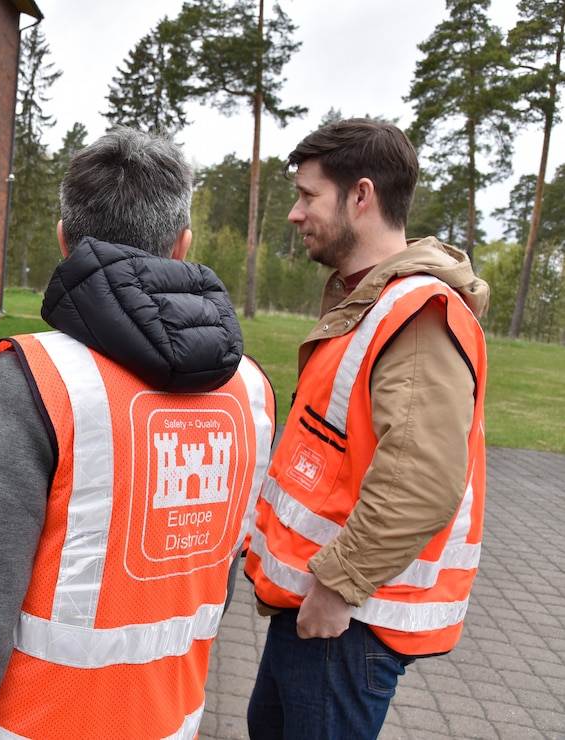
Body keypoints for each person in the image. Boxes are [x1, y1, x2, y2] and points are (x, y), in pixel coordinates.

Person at [0, 126, 276, 740]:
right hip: (170, 718)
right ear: (183, 245)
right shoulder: (249, 392)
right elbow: (218, 574)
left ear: (63, 239)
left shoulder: (34, 378)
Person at [244, 118, 490, 739]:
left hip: (347, 621)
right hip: (318, 607)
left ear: (361, 196)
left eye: (307, 195)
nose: (296, 214)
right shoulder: (370, 303)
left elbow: (423, 482)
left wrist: (338, 586)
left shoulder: (414, 316)